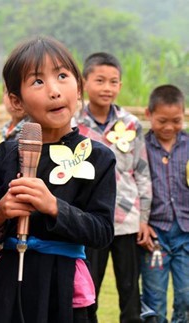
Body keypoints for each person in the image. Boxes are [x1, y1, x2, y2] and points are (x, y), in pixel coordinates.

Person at [0, 37, 116, 323]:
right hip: (11, 283)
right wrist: (0, 214)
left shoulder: (98, 157)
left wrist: (54, 206)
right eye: (37, 81)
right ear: (16, 100)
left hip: (65, 287)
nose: (54, 91)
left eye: (62, 76)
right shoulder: (5, 154)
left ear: (79, 88)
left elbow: (102, 231)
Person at [74, 52, 152, 322]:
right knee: (88, 289)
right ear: (84, 83)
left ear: (119, 85)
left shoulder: (131, 124)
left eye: (113, 81)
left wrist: (143, 218)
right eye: (100, 80)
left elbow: (142, 172)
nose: (107, 88)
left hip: (126, 219)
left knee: (130, 290)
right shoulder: (73, 124)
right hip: (90, 219)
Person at [140, 84, 189, 323]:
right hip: (154, 237)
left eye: (176, 121)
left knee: (186, 297)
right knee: (154, 300)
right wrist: (142, 221)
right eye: (162, 121)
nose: (169, 127)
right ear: (148, 114)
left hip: (186, 234)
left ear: (184, 114)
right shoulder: (140, 147)